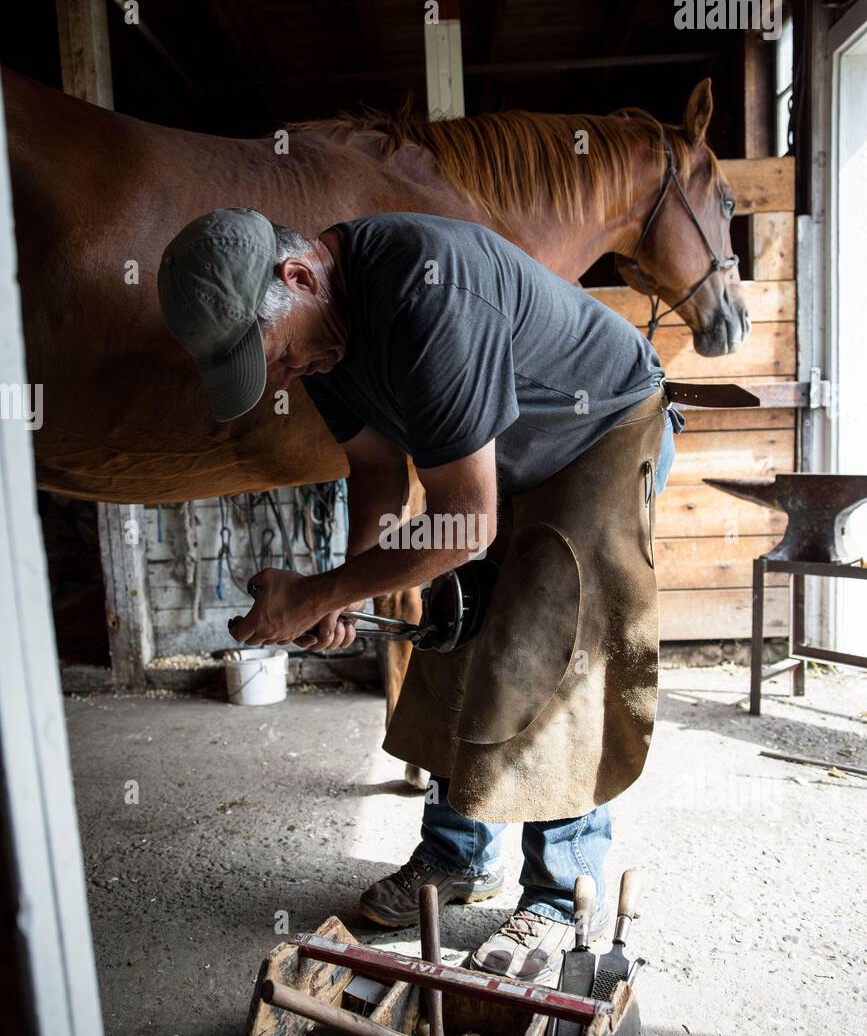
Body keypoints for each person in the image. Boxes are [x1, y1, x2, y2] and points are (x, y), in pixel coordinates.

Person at [158, 206, 680, 984]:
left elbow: (463, 520)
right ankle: (457, 854)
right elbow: (375, 473)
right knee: (452, 628)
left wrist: (314, 594)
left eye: (269, 354)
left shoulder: (425, 294)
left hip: (598, 433)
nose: (276, 376)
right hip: (497, 467)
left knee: (547, 650)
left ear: (298, 278)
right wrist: (335, 593)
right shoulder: (323, 339)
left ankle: (561, 892)